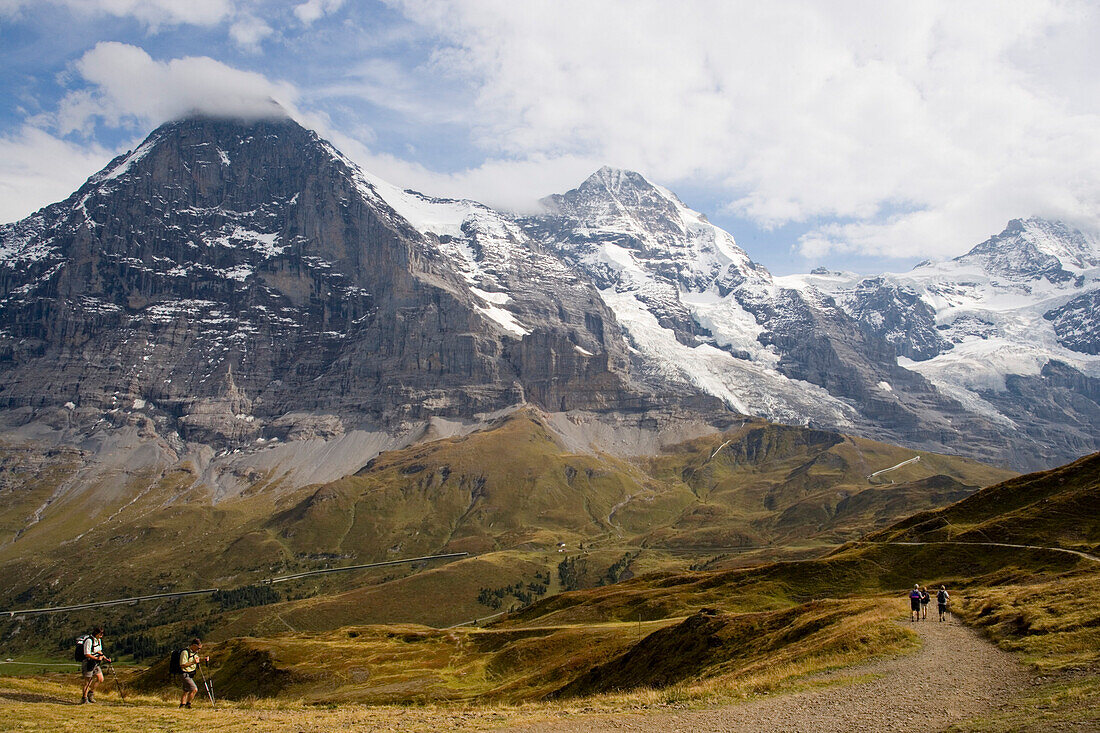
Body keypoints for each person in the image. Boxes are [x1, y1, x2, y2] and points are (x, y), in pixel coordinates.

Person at [80, 627, 110, 704]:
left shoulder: (98, 640)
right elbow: (87, 654)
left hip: (95, 663)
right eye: (101, 633)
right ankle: (84, 698)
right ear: (96, 633)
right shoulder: (89, 641)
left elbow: (99, 651)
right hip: (88, 662)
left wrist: (105, 658)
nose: (102, 635)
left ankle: (91, 693)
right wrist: (97, 658)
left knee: (100, 679)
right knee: (88, 682)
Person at [178, 638, 210, 709]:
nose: (199, 650)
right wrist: (193, 662)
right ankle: (188, 704)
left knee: (186, 690)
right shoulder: (185, 652)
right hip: (184, 673)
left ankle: (182, 705)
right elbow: (182, 665)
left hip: (190, 673)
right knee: (194, 689)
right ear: (194, 645)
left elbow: (196, 660)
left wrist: (203, 659)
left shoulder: (194, 653)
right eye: (198, 648)